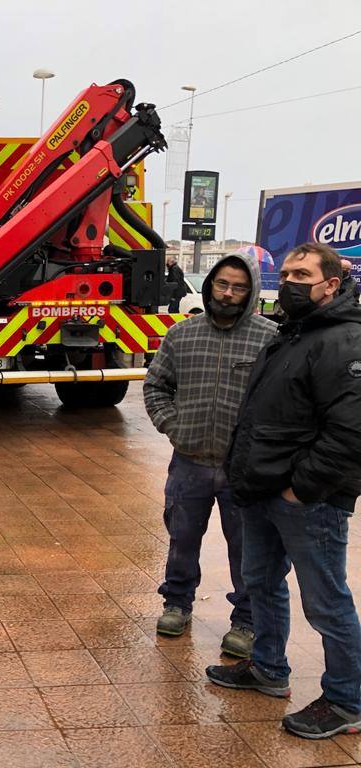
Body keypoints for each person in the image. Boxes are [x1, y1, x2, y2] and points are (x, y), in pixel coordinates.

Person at [206, 242, 361, 739]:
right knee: (262, 583)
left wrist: (301, 489)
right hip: (261, 491)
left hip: (306, 502)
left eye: (302, 274)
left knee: (326, 602)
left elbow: (350, 433)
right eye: (287, 272)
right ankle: (268, 668)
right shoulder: (294, 333)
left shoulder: (344, 340)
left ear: (330, 285)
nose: (289, 281)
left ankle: (348, 700)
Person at [144, 252, 276, 657]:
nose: (229, 293)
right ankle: (177, 603)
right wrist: (172, 425)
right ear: (210, 286)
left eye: (238, 287)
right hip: (189, 462)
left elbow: (281, 401)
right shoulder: (181, 336)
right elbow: (155, 387)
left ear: (250, 291)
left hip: (244, 469)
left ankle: (246, 622)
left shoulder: (270, 338)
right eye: (223, 284)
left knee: (246, 548)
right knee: (182, 539)